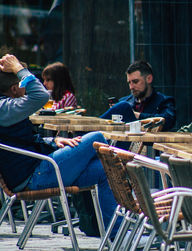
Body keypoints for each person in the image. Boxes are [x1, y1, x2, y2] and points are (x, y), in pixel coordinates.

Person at [0, 54, 120, 237]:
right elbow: (40, 95)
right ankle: (132, 201)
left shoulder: (5, 107)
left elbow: (21, 142)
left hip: (37, 169)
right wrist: (17, 67)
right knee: (97, 137)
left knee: (105, 169)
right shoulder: (4, 108)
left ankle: (117, 234)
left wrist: (53, 141)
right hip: (35, 176)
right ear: (15, 89)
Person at [100, 60, 176, 131]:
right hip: (123, 141)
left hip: (149, 142)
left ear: (149, 79)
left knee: (124, 107)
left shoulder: (164, 101)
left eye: (135, 82)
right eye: (129, 83)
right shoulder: (124, 101)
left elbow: (168, 121)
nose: (131, 87)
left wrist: (137, 115)